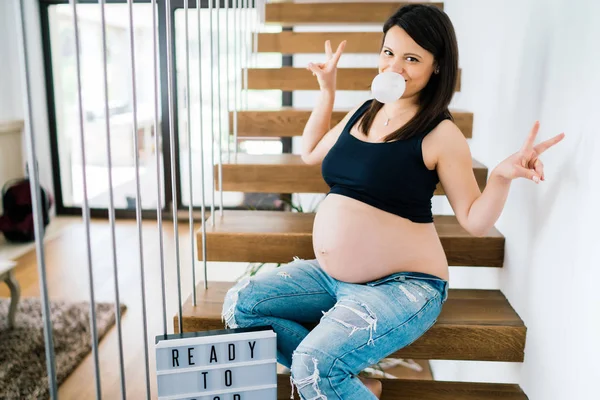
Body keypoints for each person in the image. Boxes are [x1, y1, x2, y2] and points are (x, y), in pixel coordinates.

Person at [222, 4, 564, 399]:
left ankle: (333, 376)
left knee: (313, 366)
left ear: (437, 66)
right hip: (331, 277)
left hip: (402, 287)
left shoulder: (441, 134)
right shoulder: (365, 111)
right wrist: (327, 91)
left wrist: (502, 176)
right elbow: (311, 151)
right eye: (389, 53)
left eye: (412, 58)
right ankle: (349, 380)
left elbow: (473, 221)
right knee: (241, 307)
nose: (395, 66)